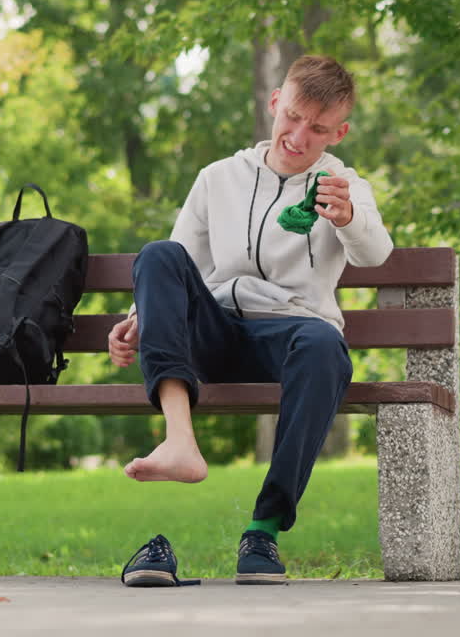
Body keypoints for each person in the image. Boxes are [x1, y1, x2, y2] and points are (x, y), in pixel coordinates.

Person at [111, 55, 394, 587]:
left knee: (323, 345)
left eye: (317, 128)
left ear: (340, 132)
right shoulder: (218, 178)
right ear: (274, 103)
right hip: (214, 331)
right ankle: (179, 443)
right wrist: (137, 316)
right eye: (292, 116)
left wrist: (349, 216)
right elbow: (181, 258)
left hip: (288, 335)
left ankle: (263, 531)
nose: (298, 135)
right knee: (155, 253)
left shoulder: (342, 183)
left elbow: (376, 253)